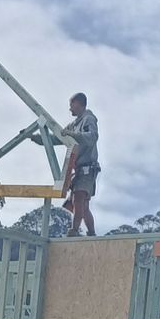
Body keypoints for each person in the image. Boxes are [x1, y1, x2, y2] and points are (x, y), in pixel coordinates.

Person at [60, 92, 99, 237]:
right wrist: (39, 139)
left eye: (72, 104)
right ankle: (92, 233)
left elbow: (92, 137)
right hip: (79, 170)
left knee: (78, 199)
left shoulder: (88, 119)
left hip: (88, 168)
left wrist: (72, 134)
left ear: (79, 103)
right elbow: (62, 136)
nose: (70, 108)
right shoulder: (74, 125)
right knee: (82, 205)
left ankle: (74, 230)